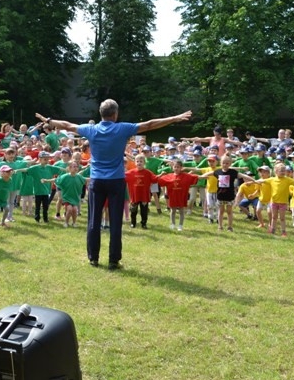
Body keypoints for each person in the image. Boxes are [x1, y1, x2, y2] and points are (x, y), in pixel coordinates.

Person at [36, 101, 192, 269]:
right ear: (115, 114)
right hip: (116, 180)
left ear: (100, 113)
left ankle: (93, 258)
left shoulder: (92, 129)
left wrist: (49, 121)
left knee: (94, 220)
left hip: (97, 180)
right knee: (116, 221)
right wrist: (175, 118)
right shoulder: (122, 128)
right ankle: (113, 260)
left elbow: (67, 125)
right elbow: (150, 124)